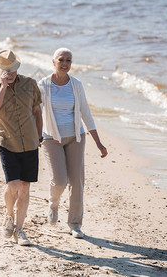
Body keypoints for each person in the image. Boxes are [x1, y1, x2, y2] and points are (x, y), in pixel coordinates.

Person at [38, 47, 108, 238]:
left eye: (69, 60)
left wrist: (98, 143)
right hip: (51, 139)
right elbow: (35, 113)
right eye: (61, 59)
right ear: (53, 62)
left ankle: (75, 224)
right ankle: (53, 203)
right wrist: (35, 137)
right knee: (59, 181)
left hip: (76, 138)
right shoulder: (43, 85)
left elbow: (86, 114)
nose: (65, 63)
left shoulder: (76, 85)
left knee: (77, 182)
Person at [0, 49, 43, 246]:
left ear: (17, 68)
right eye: (5, 70)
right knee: (13, 185)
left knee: (25, 188)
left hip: (29, 142)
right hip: (7, 142)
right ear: (0, 70)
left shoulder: (30, 84)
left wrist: (39, 135)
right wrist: (3, 87)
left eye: (12, 70)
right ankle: (9, 214)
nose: (9, 73)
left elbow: (37, 112)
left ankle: (20, 231)